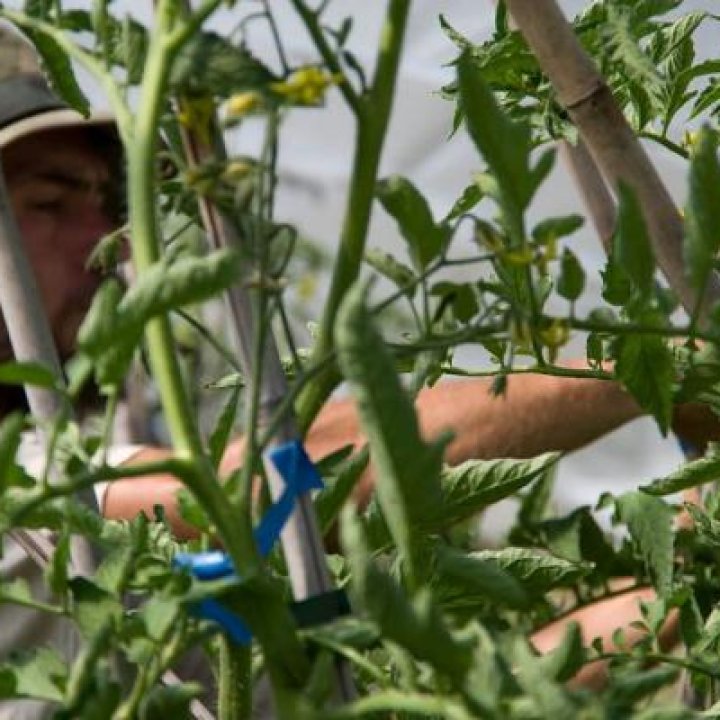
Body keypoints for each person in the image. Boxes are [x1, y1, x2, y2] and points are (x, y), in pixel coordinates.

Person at [0, 21, 710, 717]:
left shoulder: (105, 565)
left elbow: (442, 703)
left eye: (106, 204)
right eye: (50, 201)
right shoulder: (22, 480)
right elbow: (257, 494)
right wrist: (650, 371)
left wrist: (691, 572)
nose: (108, 240)